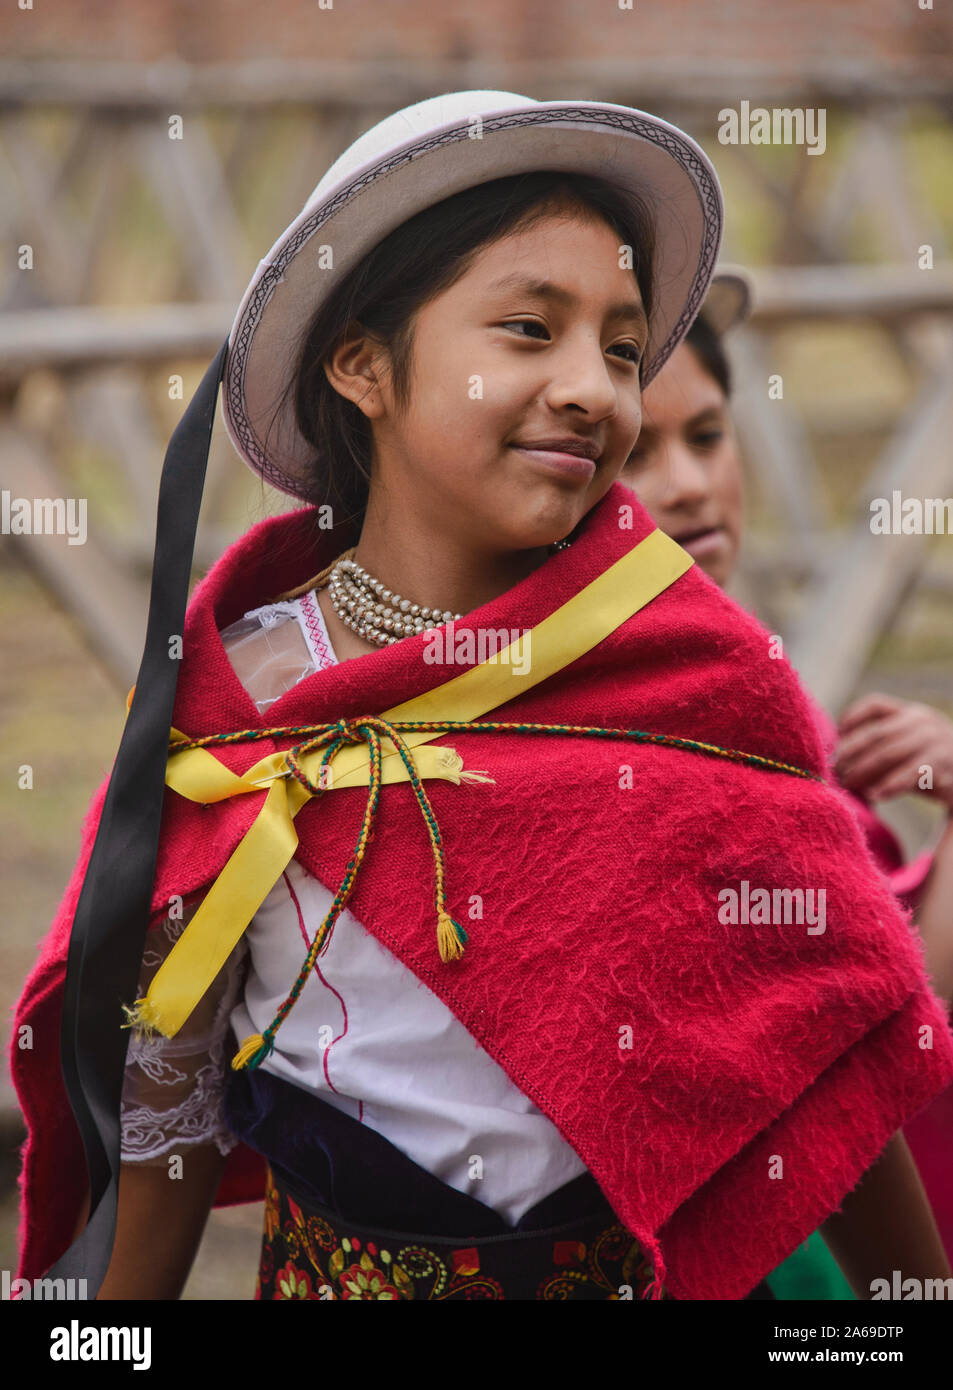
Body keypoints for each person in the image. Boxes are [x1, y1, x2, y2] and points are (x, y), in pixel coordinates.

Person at [10, 92, 953, 1304]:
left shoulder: (685, 677)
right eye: (526, 328)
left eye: (620, 348)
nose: (593, 390)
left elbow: (816, 1049)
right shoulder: (237, 706)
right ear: (360, 361)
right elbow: (167, 1108)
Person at [619, 268, 953, 1296]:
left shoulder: (755, 694)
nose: (685, 484)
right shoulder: (622, 722)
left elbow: (907, 1001)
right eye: (637, 454)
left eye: (707, 437)